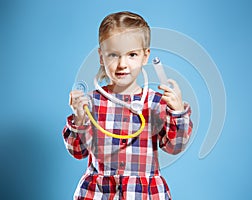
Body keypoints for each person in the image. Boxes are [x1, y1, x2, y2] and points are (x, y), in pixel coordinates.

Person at [63, 11, 193, 200]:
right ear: (101, 56)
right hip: (98, 194)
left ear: (145, 56)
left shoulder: (156, 102)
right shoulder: (91, 102)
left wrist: (178, 112)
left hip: (142, 194)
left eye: (132, 54)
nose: (122, 64)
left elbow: (175, 146)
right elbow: (77, 151)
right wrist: (78, 118)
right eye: (114, 55)